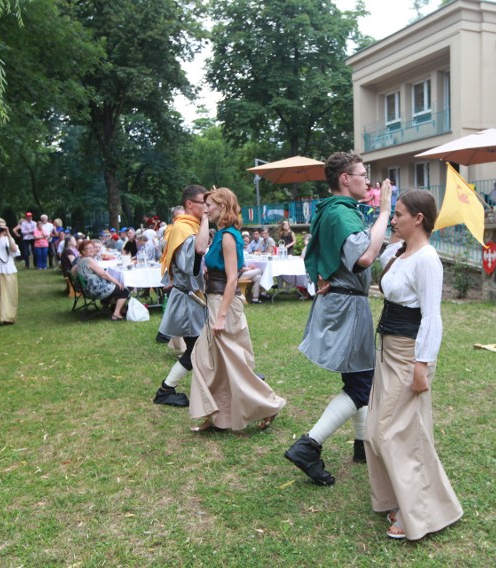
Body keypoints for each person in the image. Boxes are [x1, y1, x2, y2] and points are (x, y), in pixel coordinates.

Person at [284, 151, 391, 486]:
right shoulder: (343, 214)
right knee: (363, 385)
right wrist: (385, 210)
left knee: (358, 378)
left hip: (342, 302)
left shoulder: (331, 211)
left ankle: (362, 445)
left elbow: (315, 253)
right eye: (362, 174)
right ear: (346, 178)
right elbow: (365, 256)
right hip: (348, 308)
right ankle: (308, 446)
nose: (368, 181)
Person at [365, 190, 463, 540]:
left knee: (390, 430)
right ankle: (397, 499)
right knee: (376, 427)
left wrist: (422, 365)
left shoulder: (427, 260)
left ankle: (421, 510)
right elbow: (380, 258)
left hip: (409, 354)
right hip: (388, 352)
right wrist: (387, 208)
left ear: (418, 218)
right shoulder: (401, 253)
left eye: (401, 215)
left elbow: (432, 317)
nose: (394, 220)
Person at [188, 188, 286, 432]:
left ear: (223, 207)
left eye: (209, 204)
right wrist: (202, 218)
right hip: (214, 300)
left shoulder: (229, 236)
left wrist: (220, 316)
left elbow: (233, 279)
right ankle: (218, 415)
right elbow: (200, 248)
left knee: (228, 362)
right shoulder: (218, 233)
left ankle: (268, 404)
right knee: (214, 362)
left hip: (224, 303)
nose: (206, 208)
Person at [153, 185, 211, 407]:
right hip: (187, 298)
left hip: (190, 296)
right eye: (203, 203)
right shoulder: (184, 228)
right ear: (190, 204)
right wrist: (206, 221)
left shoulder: (188, 227)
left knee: (201, 348)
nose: (206, 208)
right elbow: (192, 262)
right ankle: (165, 390)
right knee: (196, 349)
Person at [71, 239, 129, 320]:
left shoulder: (80, 260)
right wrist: (117, 283)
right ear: (83, 251)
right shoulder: (89, 260)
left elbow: (72, 271)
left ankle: (108, 307)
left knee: (114, 288)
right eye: (88, 248)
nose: (92, 250)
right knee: (124, 290)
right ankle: (116, 314)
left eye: (92, 248)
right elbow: (103, 274)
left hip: (87, 289)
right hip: (95, 290)